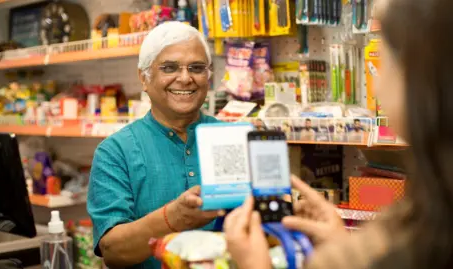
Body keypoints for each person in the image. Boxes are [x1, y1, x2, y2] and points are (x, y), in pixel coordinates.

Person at [224, 0, 453, 268]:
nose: (376, 86)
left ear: (423, 82)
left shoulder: (427, 237)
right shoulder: (431, 207)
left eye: (384, 63)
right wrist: (341, 245)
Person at [87, 22, 222, 269]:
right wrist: (174, 217)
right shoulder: (115, 152)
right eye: (169, 68)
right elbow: (112, 250)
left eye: (197, 68)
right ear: (144, 77)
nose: (185, 78)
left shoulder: (231, 139)